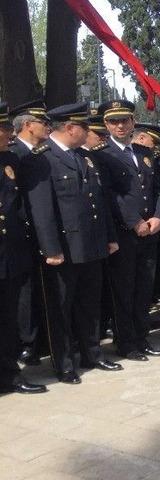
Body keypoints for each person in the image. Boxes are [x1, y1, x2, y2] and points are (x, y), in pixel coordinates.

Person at [25, 102, 121, 384]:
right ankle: (64, 363)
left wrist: (109, 237)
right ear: (69, 128)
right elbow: (42, 210)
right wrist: (51, 249)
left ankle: (92, 353)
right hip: (64, 249)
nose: (90, 132)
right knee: (61, 308)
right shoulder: (41, 159)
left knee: (89, 304)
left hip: (91, 245)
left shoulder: (85, 157)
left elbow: (99, 202)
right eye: (85, 127)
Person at [93, 99, 160, 361]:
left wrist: (158, 216)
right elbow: (110, 196)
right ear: (106, 124)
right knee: (124, 290)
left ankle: (141, 337)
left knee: (144, 288)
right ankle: (125, 343)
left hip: (150, 231)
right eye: (114, 121)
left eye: (125, 120)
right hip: (125, 233)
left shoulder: (144, 153)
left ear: (133, 121)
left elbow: (158, 189)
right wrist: (134, 221)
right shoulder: (101, 155)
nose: (120, 125)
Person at [0, 103, 47, 395]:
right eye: (4, 128)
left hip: (9, 254)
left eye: (7, 127)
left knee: (8, 318)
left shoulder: (11, 158)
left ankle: (9, 374)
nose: (9, 133)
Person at [8, 99, 51, 367]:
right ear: (27, 125)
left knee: (39, 290)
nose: (47, 126)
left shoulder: (39, 153)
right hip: (21, 236)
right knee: (24, 294)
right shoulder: (17, 155)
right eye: (42, 123)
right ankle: (27, 343)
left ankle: (39, 340)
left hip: (39, 234)